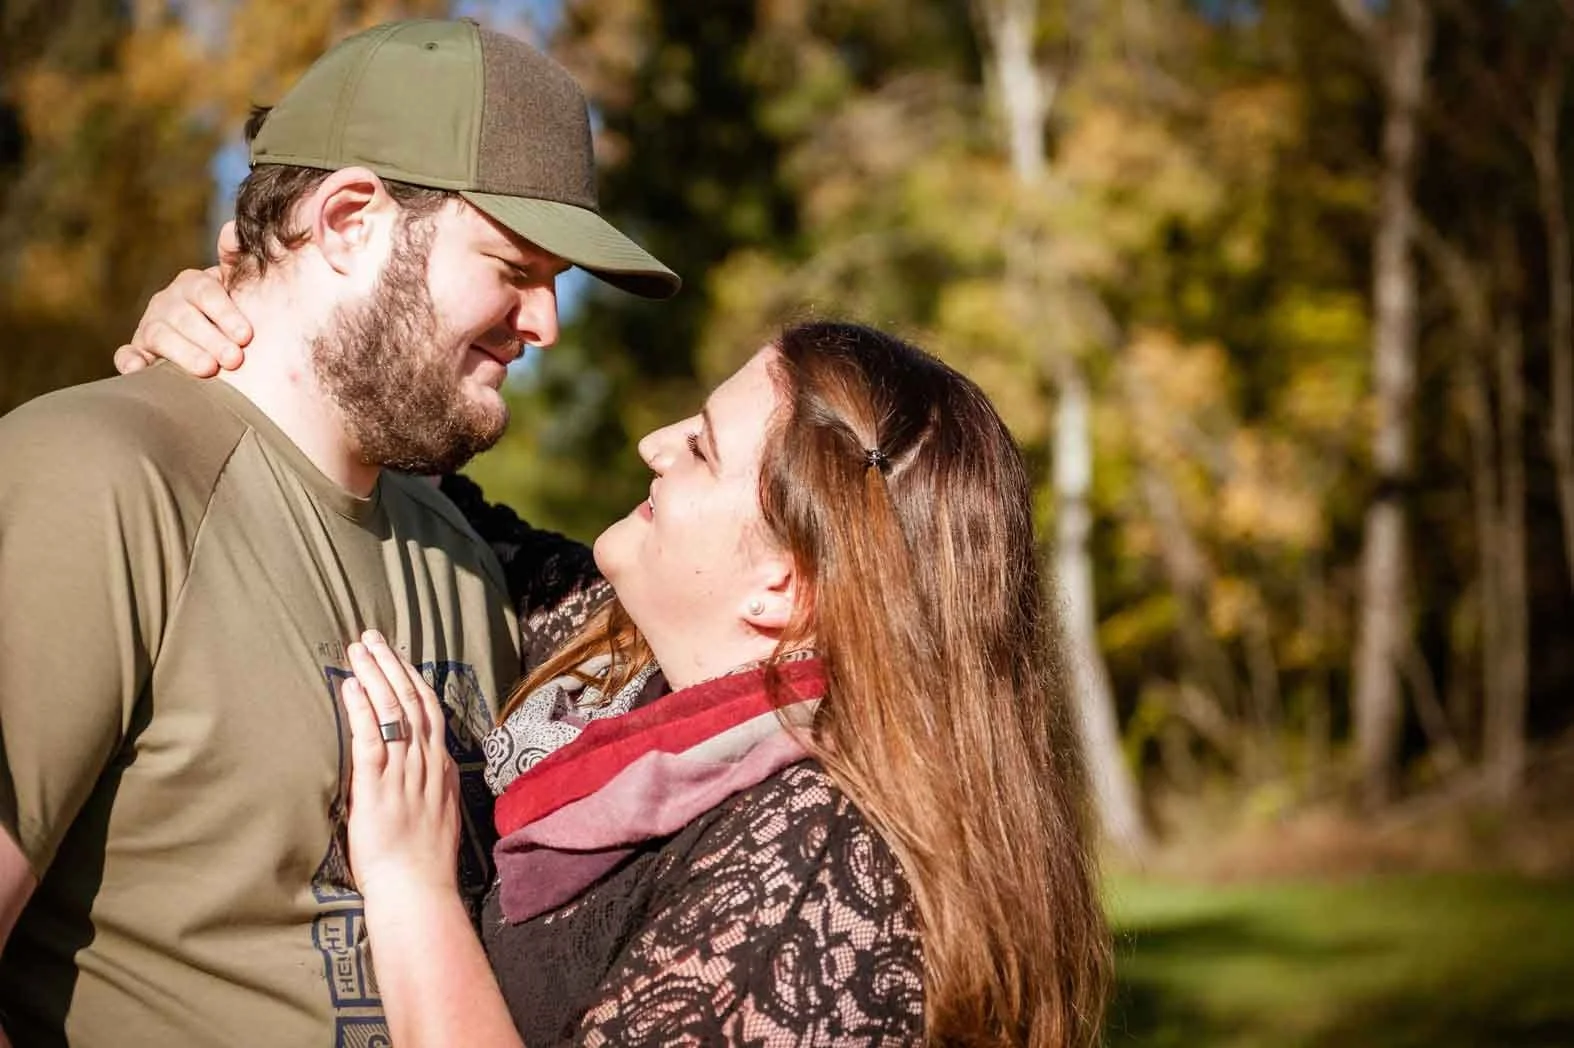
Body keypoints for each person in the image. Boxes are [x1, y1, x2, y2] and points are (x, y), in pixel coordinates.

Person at [125, 307, 1113, 1045]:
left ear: (780, 585)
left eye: (699, 448)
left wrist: (412, 888)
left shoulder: (820, 868)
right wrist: (252, 331)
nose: (652, 445)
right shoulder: (624, 667)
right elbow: (427, 502)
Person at [0, 17, 677, 1048]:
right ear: (352, 219)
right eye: (514, 265)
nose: (544, 323)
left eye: (558, 282)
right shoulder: (90, 478)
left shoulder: (459, 554)